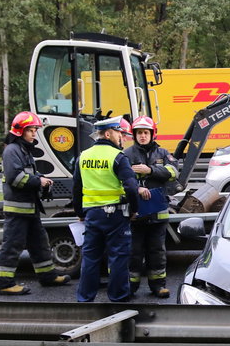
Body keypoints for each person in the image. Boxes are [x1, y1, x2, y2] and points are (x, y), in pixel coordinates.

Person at [0, 111, 72, 295]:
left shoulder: (24, 150)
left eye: (35, 130)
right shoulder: (12, 150)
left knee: (40, 244)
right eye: (31, 130)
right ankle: (5, 283)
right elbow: (16, 178)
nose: (34, 134)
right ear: (20, 131)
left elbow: (27, 174)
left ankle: (48, 276)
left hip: (30, 209)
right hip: (18, 210)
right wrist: (39, 181)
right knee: (12, 246)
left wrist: (41, 179)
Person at [72, 116, 139, 302]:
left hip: (92, 214)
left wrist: (79, 213)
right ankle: (118, 297)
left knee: (91, 258)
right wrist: (134, 210)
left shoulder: (83, 156)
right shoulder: (118, 157)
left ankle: (85, 299)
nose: (121, 137)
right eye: (119, 133)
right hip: (116, 215)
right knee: (118, 257)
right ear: (108, 133)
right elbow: (131, 187)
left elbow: (76, 188)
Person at [123, 116, 180, 298]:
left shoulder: (163, 154)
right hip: (136, 212)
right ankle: (130, 287)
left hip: (157, 212)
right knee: (134, 252)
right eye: (139, 133)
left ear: (152, 134)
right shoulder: (127, 154)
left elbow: (173, 172)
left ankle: (158, 286)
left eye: (146, 132)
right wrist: (137, 188)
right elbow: (121, 179)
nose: (142, 136)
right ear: (134, 135)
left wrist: (151, 170)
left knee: (157, 251)